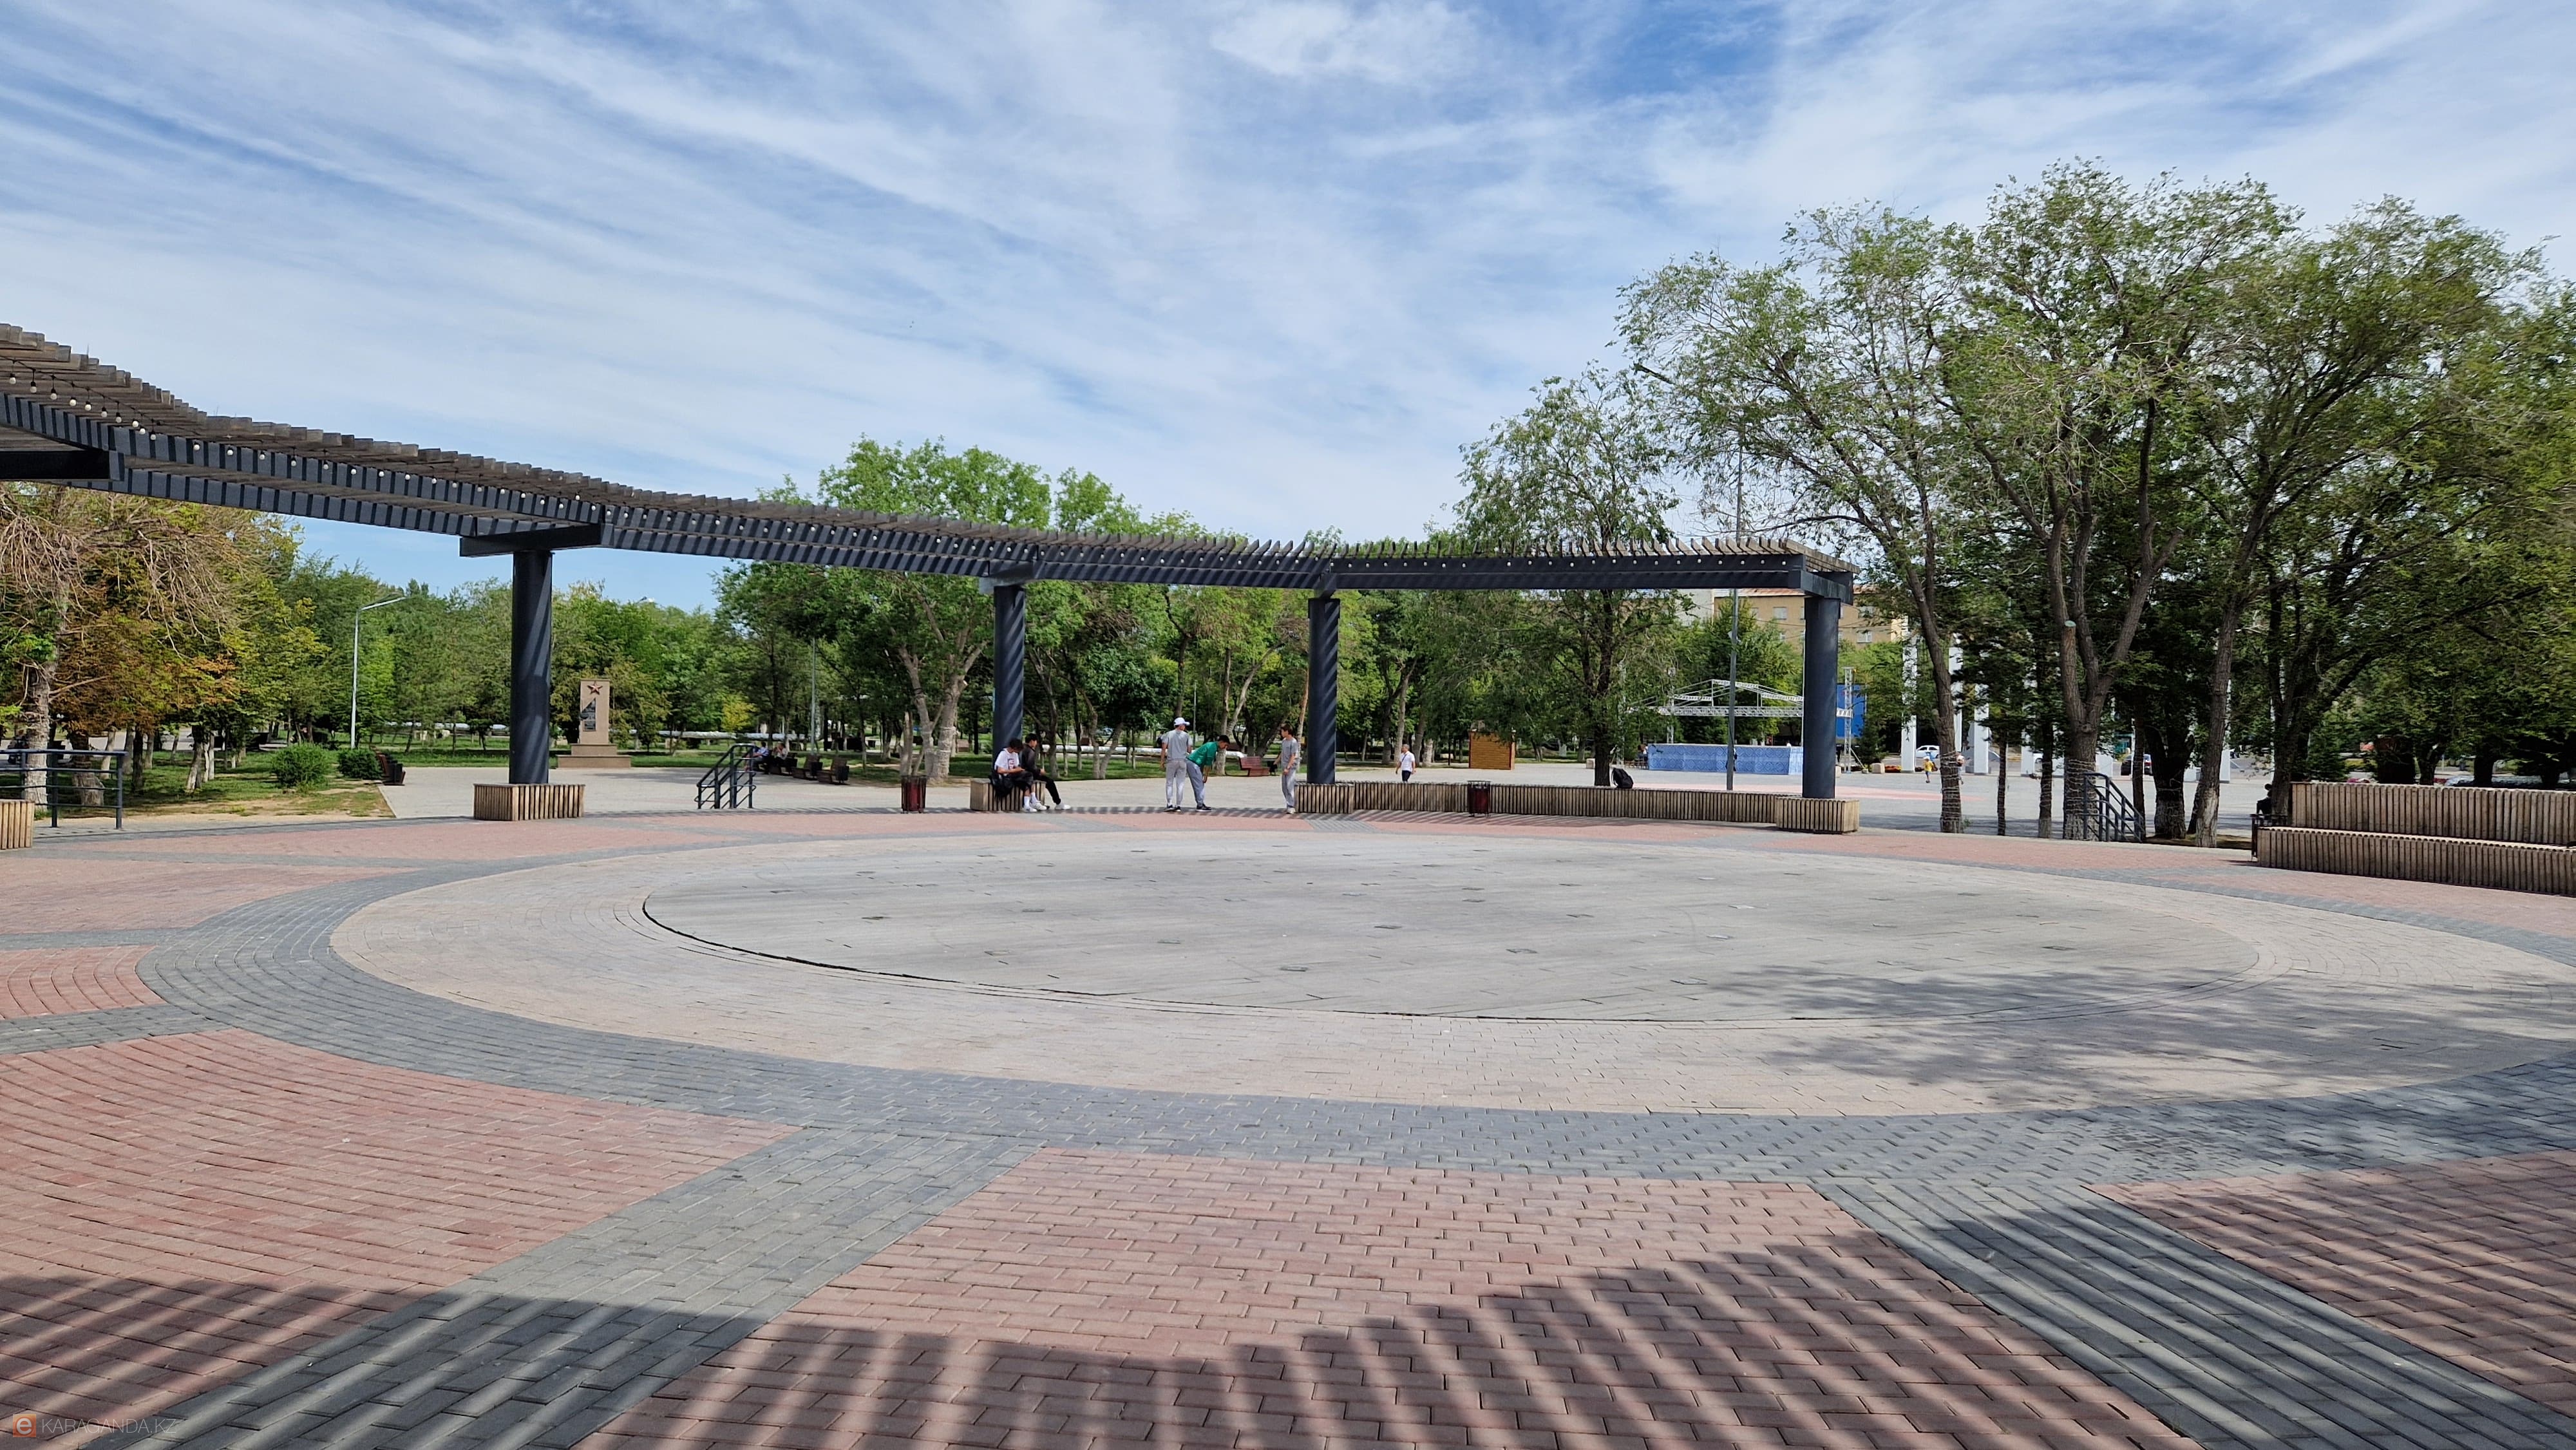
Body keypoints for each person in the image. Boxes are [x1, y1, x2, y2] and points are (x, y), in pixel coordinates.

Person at [1159, 717, 1193, 812]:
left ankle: (1169, 803)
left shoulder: (1169, 734)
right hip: (1182, 761)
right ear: (1180, 725)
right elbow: (1189, 750)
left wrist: (1162, 761)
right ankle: (1178, 805)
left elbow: (1164, 748)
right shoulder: (1186, 736)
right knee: (1180, 783)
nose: (1185, 727)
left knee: (1169, 782)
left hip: (1172, 760)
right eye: (1184, 725)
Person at [1186, 734, 1225, 811]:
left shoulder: (1211, 745)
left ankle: (1200, 803)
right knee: (1199, 785)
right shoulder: (1212, 747)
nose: (1225, 747)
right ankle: (1200, 805)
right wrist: (1206, 776)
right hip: (1194, 764)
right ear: (1221, 742)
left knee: (1198, 784)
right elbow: (1208, 762)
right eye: (1225, 745)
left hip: (1194, 763)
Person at [991, 737, 1032, 809]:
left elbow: (1016, 766)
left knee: (1027, 781)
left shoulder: (1015, 754)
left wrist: (1019, 769)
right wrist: (1013, 771)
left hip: (1012, 775)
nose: (1018, 752)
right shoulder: (1003, 754)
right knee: (1029, 777)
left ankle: (1028, 804)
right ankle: (1032, 800)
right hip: (1005, 776)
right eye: (1018, 750)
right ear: (1014, 748)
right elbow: (999, 770)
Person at [1276, 725, 1301, 813]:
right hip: (1284, 767)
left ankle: (1291, 806)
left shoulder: (1293, 742)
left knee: (1289, 786)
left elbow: (1293, 756)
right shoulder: (1284, 741)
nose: (1281, 733)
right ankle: (1288, 804)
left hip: (1290, 768)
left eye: (1282, 731)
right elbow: (1282, 752)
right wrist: (1277, 761)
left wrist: (1288, 767)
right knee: (1284, 787)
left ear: (1287, 732)